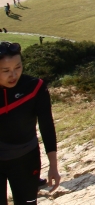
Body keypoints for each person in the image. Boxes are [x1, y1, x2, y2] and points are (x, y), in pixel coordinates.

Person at [0, 42, 61, 202]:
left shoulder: (35, 87)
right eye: (5, 71)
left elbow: (47, 125)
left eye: (18, 67)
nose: (13, 75)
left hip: (26, 160)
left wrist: (53, 165)